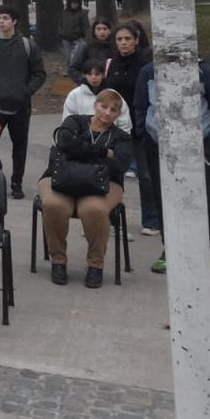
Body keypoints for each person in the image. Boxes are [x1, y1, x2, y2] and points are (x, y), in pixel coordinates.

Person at [133, 58, 210, 284]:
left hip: (197, 148)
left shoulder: (205, 72)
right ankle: (170, 249)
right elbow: (140, 107)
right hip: (158, 148)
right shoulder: (148, 71)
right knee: (164, 200)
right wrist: (145, 135)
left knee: (209, 203)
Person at [37, 90, 131, 288]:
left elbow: (119, 166)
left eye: (113, 110)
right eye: (103, 106)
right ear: (95, 105)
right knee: (54, 204)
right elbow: (64, 143)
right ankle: (58, 261)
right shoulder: (75, 121)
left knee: (93, 210)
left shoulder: (122, 137)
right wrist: (103, 153)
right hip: (61, 177)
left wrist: (79, 150)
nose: (107, 113)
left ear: (118, 115)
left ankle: (95, 265)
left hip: (104, 185)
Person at [0, 5, 46, 199]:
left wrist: (25, 91)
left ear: (14, 21)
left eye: (5, 18)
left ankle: (16, 184)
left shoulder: (28, 46)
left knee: (20, 146)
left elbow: (39, 74)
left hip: (20, 106)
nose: (1, 21)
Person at [101, 22, 155, 232]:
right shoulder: (111, 63)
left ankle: (151, 221)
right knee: (113, 173)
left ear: (136, 40)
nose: (123, 43)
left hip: (140, 127)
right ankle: (113, 219)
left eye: (128, 39)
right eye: (119, 39)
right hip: (115, 128)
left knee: (146, 175)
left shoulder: (144, 64)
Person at [61, 64, 133, 131]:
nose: (93, 77)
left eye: (97, 74)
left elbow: (124, 121)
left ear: (103, 75)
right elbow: (68, 120)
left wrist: (121, 139)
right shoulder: (74, 95)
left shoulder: (113, 95)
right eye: (90, 74)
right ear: (84, 75)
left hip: (110, 138)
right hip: (82, 138)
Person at [67, 18, 114, 84]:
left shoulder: (115, 46)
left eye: (105, 29)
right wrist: (85, 81)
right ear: (94, 31)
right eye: (98, 29)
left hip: (109, 86)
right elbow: (73, 68)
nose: (102, 32)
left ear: (110, 31)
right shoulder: (85, 45)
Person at [58, 0, 89, 66]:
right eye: (73, 3)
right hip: (66, 38)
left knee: (77, 55)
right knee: (68, 56)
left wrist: (85, 37)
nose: (75, 5)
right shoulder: (65, 12)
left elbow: (86, 26)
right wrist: (61, 32)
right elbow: (60, 23)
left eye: (76, 3)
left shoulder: (82, 13)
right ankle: (70, 69)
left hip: (78, 37)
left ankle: (76, 68)